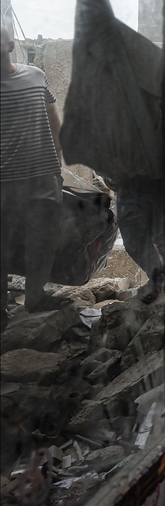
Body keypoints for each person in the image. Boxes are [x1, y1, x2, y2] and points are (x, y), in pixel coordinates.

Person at [0, 26, 65, 322]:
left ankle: (36, 296)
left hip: (43, 176)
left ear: (10, 45)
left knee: (43, 239)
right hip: (4, 182)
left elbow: (52, 114)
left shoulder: (35, 76)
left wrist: (58, 161)